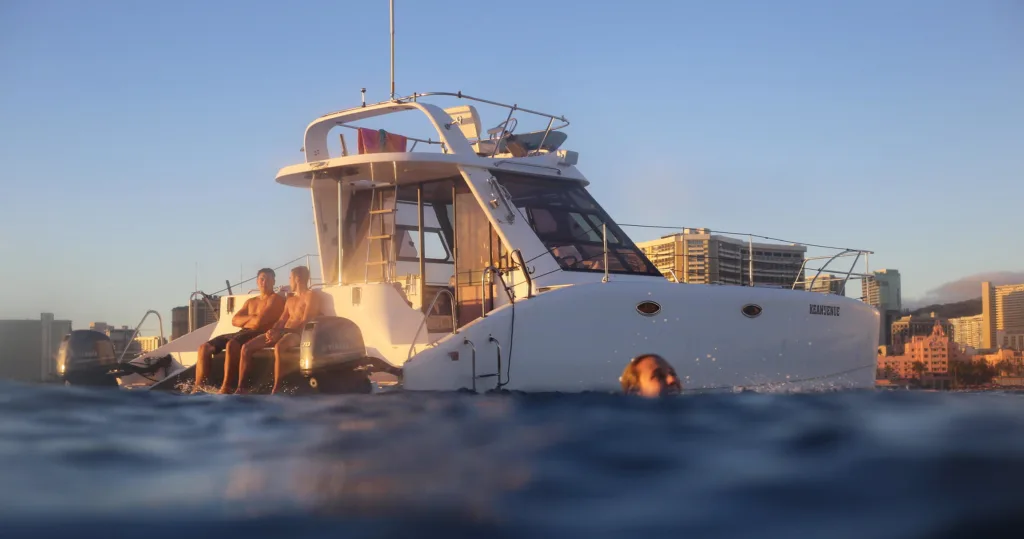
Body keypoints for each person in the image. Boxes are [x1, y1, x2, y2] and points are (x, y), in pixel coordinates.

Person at [191, 268, 285, 394]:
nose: (264, 282)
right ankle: (197, 389)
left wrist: (248, 319)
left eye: (268, 279)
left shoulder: (275, 299)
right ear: (257, 281)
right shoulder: (251, 301)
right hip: (242, 332)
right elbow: (234, 320)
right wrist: (253, 318)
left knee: (232, 344)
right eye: (262, 279)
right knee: (204, 348)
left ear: (273, 282)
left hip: (259, 333)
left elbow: (259, 323)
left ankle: (226, 387)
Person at [232, 265, 322, 395]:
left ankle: (276, 388)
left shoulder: (311, 296)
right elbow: (281, 320)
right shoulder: (290, 299)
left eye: (290, 277)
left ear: (297, 278)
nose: (289, 280)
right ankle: (241, 388)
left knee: (280, 347)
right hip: (283, 332)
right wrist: (272, 331)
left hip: (298, 333)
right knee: (246, 347)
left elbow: (306, 321)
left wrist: (281, 332)